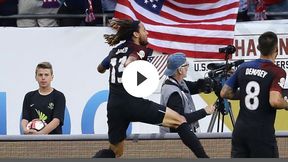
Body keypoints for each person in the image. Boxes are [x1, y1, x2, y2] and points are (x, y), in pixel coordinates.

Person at [95, 19, 215, 158]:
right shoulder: (140, 50)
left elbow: (100, 68)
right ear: (136, 34)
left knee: (115, 152)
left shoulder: (114, 51)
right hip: (133, 103)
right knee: (179, 120)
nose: (147, 32)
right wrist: (130, 63)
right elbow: (131, 60)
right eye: (144, 30)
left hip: (114, 106)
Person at [220, 31, 288, 158]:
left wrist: (244, 93)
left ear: (258, 48)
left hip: (240, 132)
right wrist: (286, 104)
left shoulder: (243, 67)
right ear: (277, 50)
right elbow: (275, 101)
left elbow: (225, 92)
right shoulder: (277, 72)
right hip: (262, 134)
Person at [160, 53, 214, 133]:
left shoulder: (177, 82)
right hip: (176, 139)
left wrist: (212, 83)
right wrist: (204, 111)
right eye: (186, 65)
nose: (188, 67)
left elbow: (194, 86)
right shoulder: (173, 93)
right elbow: (180, 119)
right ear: (180, 70)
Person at [21, 62, 66, 134]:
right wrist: (25, 129)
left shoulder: (59, 96)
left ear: (52, 77)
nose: (43, 78)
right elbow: (25, 118)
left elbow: (56, 120)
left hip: (54, 141)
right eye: (40, 75)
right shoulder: (29, 96)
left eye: (46, 75)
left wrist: (41, 134)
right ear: (36, 77)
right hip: (32, 141)